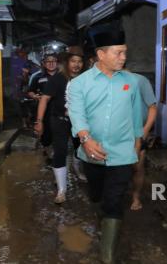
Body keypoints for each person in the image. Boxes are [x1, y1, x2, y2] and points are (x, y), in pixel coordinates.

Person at [67, 26, 143, 263]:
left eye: (124, 53)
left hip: (122, 152)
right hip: (92, 153)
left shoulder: (132, 82)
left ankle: (107, 255)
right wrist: (86, 139)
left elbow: (136, 115)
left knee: (114, 199)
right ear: (101, 54)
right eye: (118, 53)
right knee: (97, 194)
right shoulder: (80, 84)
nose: (123, 57)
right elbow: (77, 114)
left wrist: (137, 143)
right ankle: (102, 216)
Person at [34, 46, 85, 204]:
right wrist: (39, 121)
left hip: (80, 121)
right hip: (59, 120)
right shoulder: (57, 79)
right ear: (67, 62)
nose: (76, 65)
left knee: (80, 148)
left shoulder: (86, 79)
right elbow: (44, 99)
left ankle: (78, 170)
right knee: (60, 151)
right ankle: (62, 189)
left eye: (80, 61)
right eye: (73, 61)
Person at [130, 73, 157, 210]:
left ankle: (136, 197)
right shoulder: (107, 81)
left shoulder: (141, 80)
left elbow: (152, 107)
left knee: (137, 167)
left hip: (137, 132)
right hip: (116, 133)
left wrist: (145, 131)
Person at [28, 53, 59, 155]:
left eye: (53, 61)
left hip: (60, 109)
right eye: (48, 61)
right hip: (44, 110)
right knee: (45, 132)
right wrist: (35, 96)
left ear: (57, 63)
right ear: (44, 64)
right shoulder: (37, 77)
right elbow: (30, 91)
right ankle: (47, 150)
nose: (51, 63)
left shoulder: (63, 76)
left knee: (59, 132)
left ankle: (58, 152)